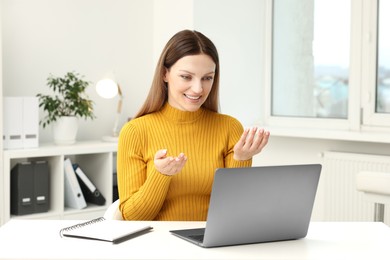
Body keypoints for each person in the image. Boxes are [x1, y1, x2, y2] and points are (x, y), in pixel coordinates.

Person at [117, 29, 270, 221]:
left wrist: (241, 159)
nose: (198, 89)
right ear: (165, 73)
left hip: (214, 245)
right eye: (186, 77)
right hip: (158, 246)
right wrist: (161, 175)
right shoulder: (135, 132)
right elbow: (131, 217)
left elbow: (235, 214)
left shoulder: (230, 128)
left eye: (207, 78)